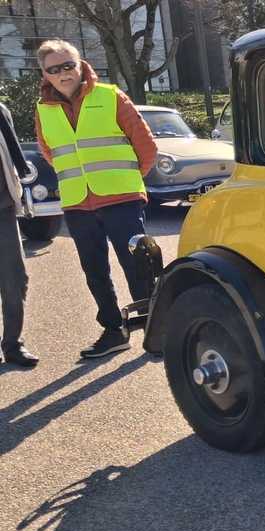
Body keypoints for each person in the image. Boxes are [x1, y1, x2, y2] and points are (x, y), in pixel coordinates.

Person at [33, 39, 157, 359]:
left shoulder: (110, 96)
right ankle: (114, 330)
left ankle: (157, 326)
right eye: (54, 69)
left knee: (138, 265)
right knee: (94, 270)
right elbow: (50, 152)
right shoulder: (43, 110)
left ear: (81, 65)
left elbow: (146, 146)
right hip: (78, 203)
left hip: (121, 199)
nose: (63, 73)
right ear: (44, 74)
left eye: (68, 65)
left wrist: (127, 181)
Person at [0, 101, 37, 367]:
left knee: (15, 279)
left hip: (3, 209)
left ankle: (13, 344)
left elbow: (11, 157)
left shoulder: (1, 112)